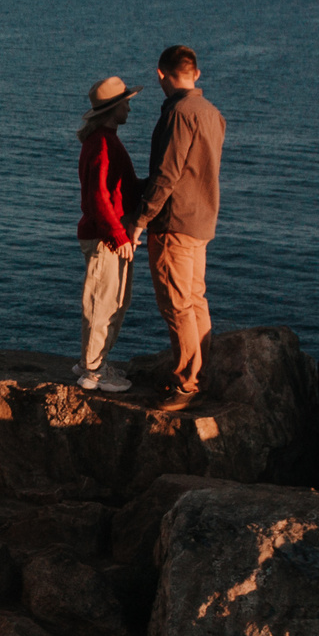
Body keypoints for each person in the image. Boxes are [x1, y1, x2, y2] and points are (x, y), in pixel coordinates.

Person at [130, 43, 226, 398]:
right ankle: (203, 372)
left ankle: (186, 382)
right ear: (196, 73)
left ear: (160, 74)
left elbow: (167, 174)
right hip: (202, 220)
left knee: (177, 304)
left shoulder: (179, 113)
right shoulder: (212, 113)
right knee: (196, 299)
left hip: (175, 223)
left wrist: (141, 219)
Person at [73, 76, 141, 391]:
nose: (129, 106)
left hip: (105, 234)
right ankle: (93, 371)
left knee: (109, 300)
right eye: (125, 102)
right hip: (105, 236)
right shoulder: (102, 142)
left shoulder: (103, 139)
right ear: (113, 109)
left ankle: (93, 361)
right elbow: (99, 198)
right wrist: (119, 235)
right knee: (105, 301)